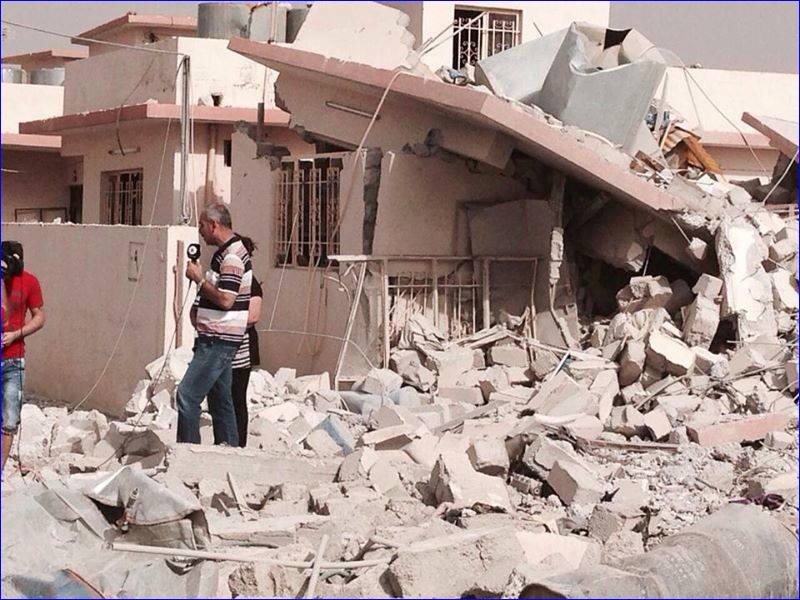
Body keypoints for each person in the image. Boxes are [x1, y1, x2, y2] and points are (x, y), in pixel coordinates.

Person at [178, 203, 252, 446]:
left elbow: (226, 299)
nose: (200, 231)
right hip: (217, 339)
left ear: (214, 225)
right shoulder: (227, 253)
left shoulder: (232, 256)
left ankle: (188, 454)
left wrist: (199, 280)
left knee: (187, 396)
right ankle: (228, 453)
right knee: (221, 401)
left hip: (218, 341)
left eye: (201, 225)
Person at [1, 241, 45, 472]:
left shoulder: (29, 281)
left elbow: (40, 317)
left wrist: (15, 335)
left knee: (8, 420)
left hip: (13, 360)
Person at [230, 236, 263, 448]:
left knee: (237, 398)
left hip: (242, 348)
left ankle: (239, 443)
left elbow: (253, 316)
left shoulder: (252, 283)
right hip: (223, 347)